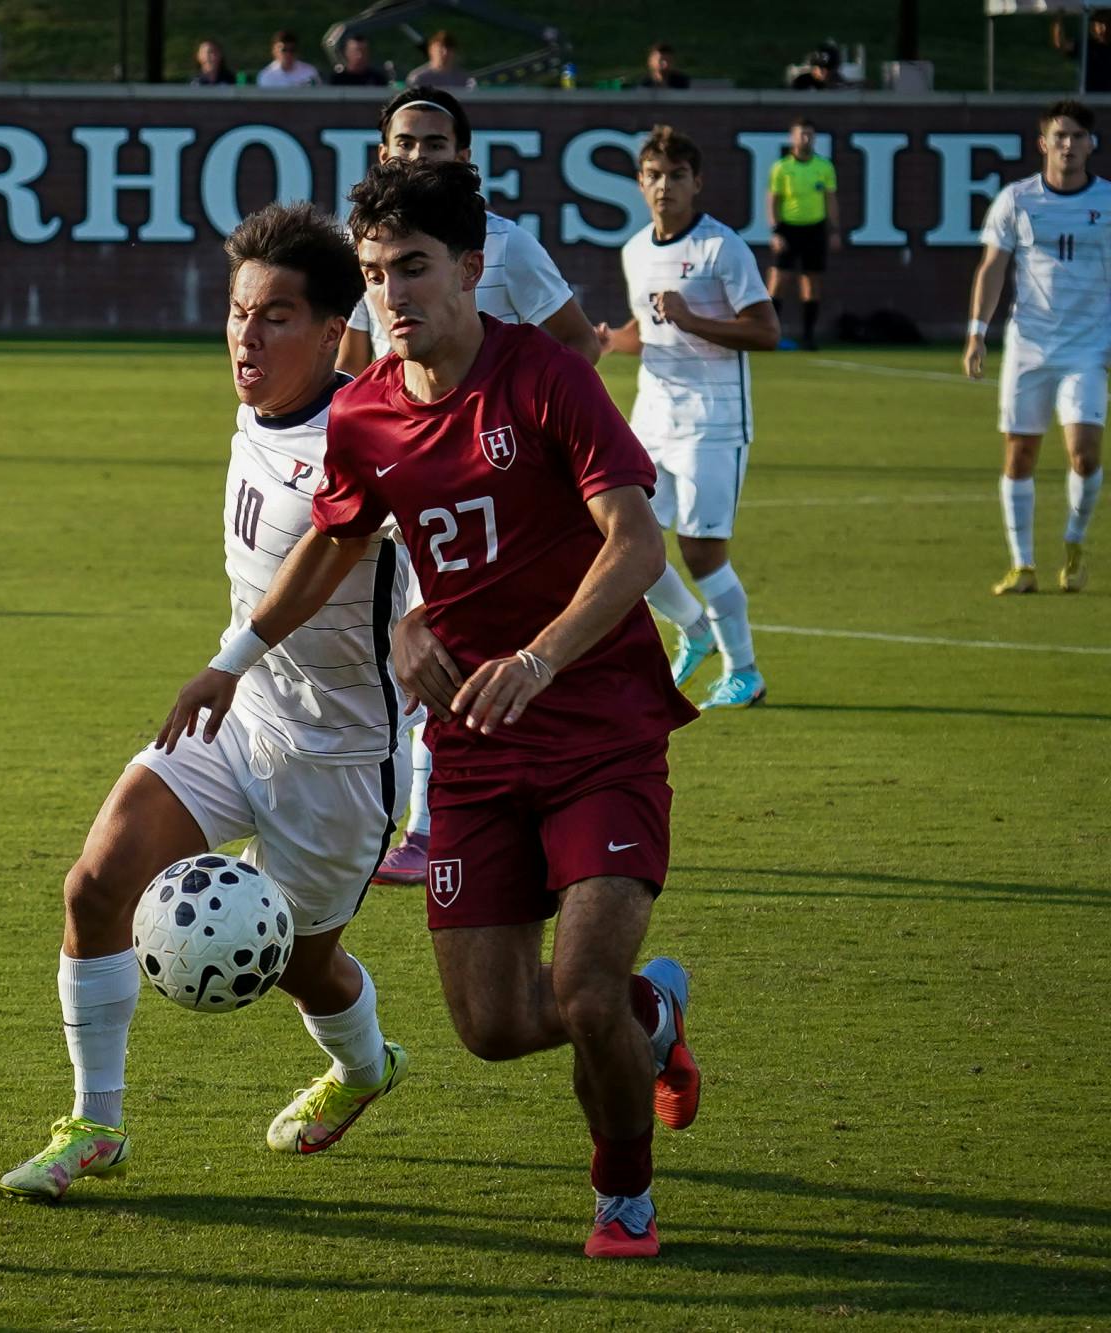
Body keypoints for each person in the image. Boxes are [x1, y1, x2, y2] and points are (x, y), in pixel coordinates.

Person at [160, 157, 701, 1259]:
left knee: (581, 989)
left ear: (469, 267)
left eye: (411, 269)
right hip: (474, 749)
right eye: (370, 275)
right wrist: (236, 655)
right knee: (493, 1028)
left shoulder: (544, 378)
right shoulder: (360, 414)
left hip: (597, 730)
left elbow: (635, 544)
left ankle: (621, 1197)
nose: (390, 297)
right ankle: (654, 1017)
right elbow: (337, 540)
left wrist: (542, 658)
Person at [0, 202, 409, 1202]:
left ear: (330, 331)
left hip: (337, 757)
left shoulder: (361, 431)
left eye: (274, 316)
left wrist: (236, 654)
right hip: (235, 722)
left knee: (302, 968)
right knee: (94, 884)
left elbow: (338, 550)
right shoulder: (261, 409)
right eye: (236, 313)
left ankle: (364, 1066)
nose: (246, 336)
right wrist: (234, 674)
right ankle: (95, 1122)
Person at [336, 88, 603, 887]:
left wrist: (529, 437)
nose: (419, 156)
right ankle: (376, 815)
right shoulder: (375, 246)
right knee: (376, 650)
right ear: (382, 155)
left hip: (482, 485)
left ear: (465, 157)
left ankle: (430, 824)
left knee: (444, 645)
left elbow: (578, 345)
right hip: (399, 477)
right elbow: (353, 358)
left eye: (435, 143)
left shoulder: (506, 247)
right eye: (405, 143)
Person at [598, 126, 780, 711]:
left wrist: (691, 318)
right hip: (651, 417)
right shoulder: (634, 250)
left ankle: (744, 671)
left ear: (697, 182)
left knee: (703, 553)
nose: (664, 186)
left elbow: (766, 331)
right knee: (625, 540)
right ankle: (694, 630)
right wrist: (609, 341)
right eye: (654, 175)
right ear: (639, 183)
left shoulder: (722, 249)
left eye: (677, 176)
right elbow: (648, 332)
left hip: (714, 422)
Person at [966, 99, 1110, 595]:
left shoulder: (1108, 203)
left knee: (1085, 455)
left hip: (1089, 347)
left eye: (1078, 137)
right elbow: (992, 268)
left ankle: (1073, 543)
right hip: (1029, 345)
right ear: (1043, 143)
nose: (1068, 145)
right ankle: (1022, 564)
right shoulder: (1016, 200)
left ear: (1092, 144)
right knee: (1020, 455)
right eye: (1060, 136)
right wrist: (976, 333)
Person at [764, 117, 839, 350]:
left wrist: (834, 230)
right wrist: (776, 231)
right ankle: (769, 333)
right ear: (792, 137)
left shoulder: (824, 167)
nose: (805, 138)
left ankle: (808, 336)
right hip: (788, 229)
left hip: (815, 229)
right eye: (801, 134)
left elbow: (830, 199)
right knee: (778, 280)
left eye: (809, 134)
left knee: (811, 282)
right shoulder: (782, 168)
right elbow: (773, 201)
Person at [1050, 11, 1111, 94]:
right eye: (1093, 24)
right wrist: (1058, 19)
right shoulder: (1086, 45)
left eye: (1101, 24)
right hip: (1091, 99)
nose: (1095, 28)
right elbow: (1060, 44)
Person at [406, 30, 472, 91]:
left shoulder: (465, 79)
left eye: (449, 48)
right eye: (440, 48)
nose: (445, 53)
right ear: (431, 50)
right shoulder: (418, 78)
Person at [256, 30, 321, 88]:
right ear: (274, 51)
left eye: (292, 50)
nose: (288, 54)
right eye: (284, 50)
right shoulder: (267, 75)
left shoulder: (310, 72)